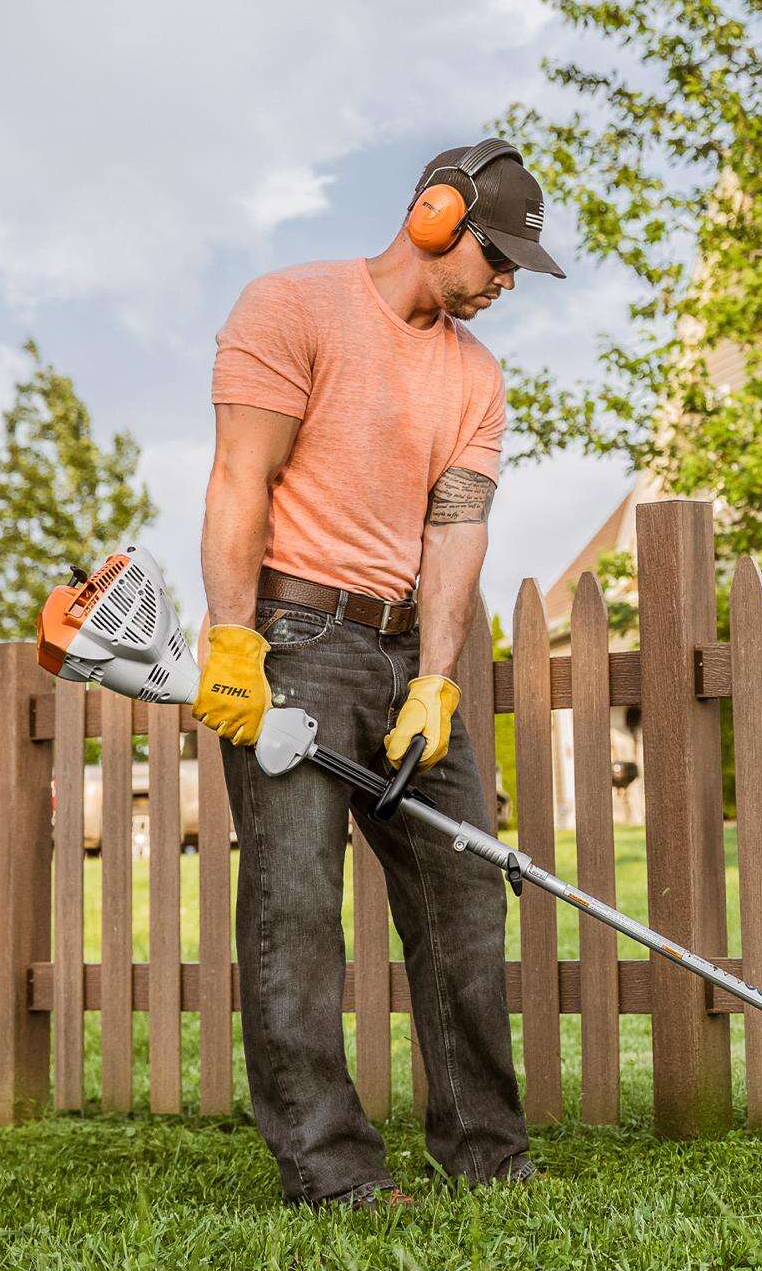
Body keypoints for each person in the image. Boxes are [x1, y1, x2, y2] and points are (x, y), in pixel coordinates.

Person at [194, 140, 566, 1211]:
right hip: (297, 635)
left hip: (405, 647)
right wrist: (235, 641)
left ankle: (489, 1156)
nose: (503, 285)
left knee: (464, 896)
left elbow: (455, 538)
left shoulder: (477, 377)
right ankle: (332, 1171)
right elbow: (238, 481)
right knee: (295, 908)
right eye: (496, 258)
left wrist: (434, 682)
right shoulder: (291, 308)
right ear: (437, 216)